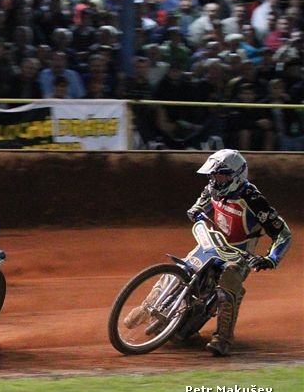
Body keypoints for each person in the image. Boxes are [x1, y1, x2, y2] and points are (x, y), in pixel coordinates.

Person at [125, 150, 292, 356]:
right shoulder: (213, 189)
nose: (215, 181)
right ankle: (146, 307)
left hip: (239, 255)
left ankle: (223, 339)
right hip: (212, 243)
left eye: (221, 176)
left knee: (228, 284)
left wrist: (270, 259)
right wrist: (196, 210)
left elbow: (283, 234)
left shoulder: (254, 200)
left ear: (236, 176)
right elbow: (199, 205)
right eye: (213, 176)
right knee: (180, 269)